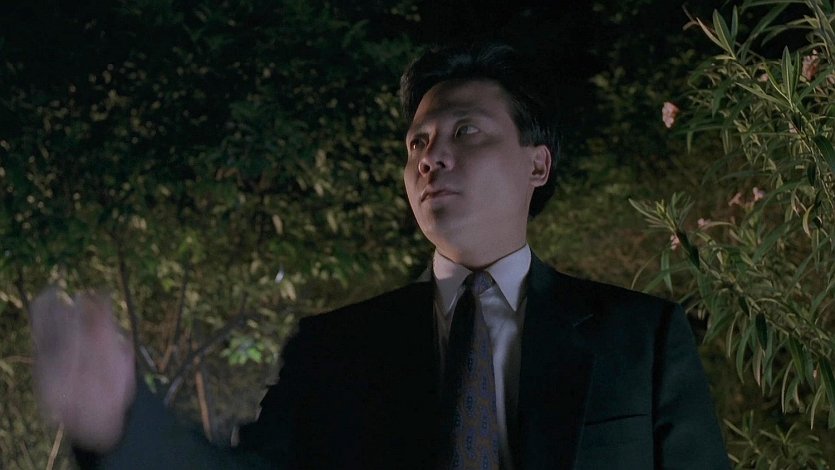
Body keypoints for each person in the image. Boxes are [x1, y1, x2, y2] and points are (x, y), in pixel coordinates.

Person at [31, 43, 729, 469]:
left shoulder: (639, 338)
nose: (432, 157)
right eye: (418, 142)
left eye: (465, 131)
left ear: (537, 163)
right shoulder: (335, 349)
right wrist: (122, 425)